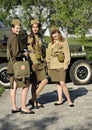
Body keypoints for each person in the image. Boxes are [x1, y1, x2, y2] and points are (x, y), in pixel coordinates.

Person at [7, 19, 35, 114]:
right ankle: (23, 107)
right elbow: (16, 53)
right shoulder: (14, 38)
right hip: (17, 66)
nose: (18, 30)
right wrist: (24, 54)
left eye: (19, 28)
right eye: (17, 28)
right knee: (26, 85)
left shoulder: (11, 37)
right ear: (12, 28)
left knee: (13, 87)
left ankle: (14, 107)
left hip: (12, 65)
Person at [46, 26, 74, 107]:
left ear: (59, 33)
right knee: (57, 83)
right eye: (53, 33)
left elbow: (67, 54)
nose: (55, 35)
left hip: (61, 65)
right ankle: (60, 100)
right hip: (53, 66)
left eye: (56, 33)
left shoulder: (63, 42)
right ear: (51, 35)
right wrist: (48, 65)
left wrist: (66, 64)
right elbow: (48, 56)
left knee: (62, 82)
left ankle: (69, 101)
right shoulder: (50, 44)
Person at [28, 19, 48, 108]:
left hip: (40, 61)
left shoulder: (40, 36)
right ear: (31, 28)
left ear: (39, 28)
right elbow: (27, 48)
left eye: (36, 27)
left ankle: (33, 99)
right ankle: (34, 101)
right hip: (33, 62)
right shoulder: (30, 37)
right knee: (34, 83)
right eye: (33, 27)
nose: (35, 29)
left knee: (44, 80)